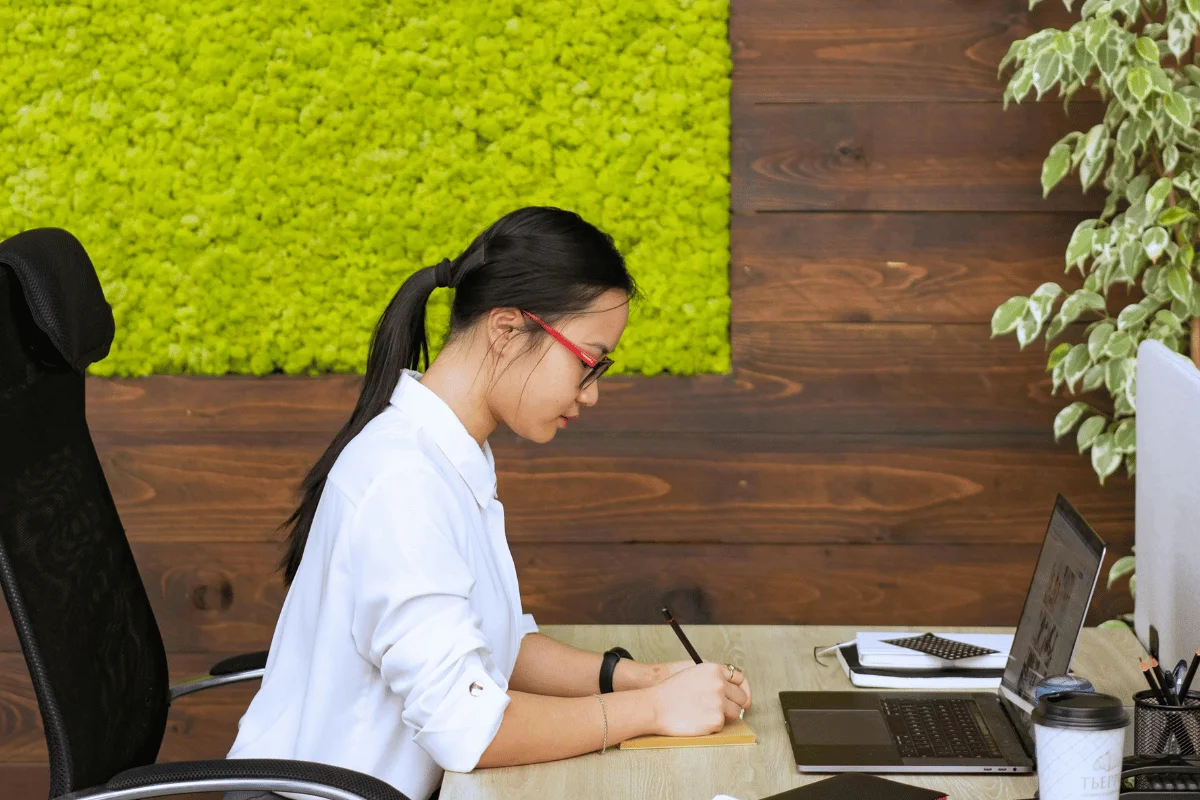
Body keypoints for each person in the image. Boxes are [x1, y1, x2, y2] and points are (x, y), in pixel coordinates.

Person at [224, 206, 752, 800]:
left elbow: (497, 645)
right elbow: (468, 729)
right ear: (506, 330)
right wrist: (654, 709)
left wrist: (643, 679)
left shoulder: (450, 454)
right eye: (587, 362)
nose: (592, 393)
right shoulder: (404, 481)